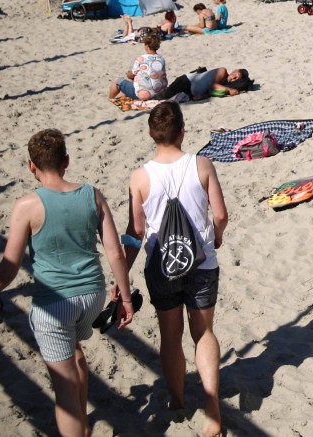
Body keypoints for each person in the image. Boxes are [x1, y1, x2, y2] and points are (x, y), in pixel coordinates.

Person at [0, 129, 135, 437]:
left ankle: (76, 426)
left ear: (31, 166)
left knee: (64, 392)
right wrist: (126, 299)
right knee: (75, 351)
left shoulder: (27, 206)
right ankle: (82, 427)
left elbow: (10, 266)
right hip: (92, 295)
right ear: (66, 161)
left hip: (54, 305)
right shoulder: (92, 195)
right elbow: (114, 253)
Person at [125, 102, 228, 437]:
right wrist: (217, 237)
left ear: (151, 134)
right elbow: (221, 215)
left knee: (171, 336)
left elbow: (137, 232)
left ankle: (178, 397)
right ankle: (212, 408)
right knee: (204, 333)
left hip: (162, 265)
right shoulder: (202, 165)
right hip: (201, 262)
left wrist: (123, 272)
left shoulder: (140, 177)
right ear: (182, 131)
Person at [108, 31, 167, 103]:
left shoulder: (141, 59)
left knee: (117, 80)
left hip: (143, 94)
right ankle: (122, 96)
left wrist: (128, 74)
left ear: (147, 46)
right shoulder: (161, 59)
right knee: (131, 81)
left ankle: (111, 99)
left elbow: (132, 74)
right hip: (159, 92)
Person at [157, 67, 253, 101]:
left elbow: (210, 89)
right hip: (186, 81)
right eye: (235, 75)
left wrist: (203, 96)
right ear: (234, 70)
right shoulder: (223, 71)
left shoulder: (223, 84)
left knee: (166, 99)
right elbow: (212, 85)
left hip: (189, 91)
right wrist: (229, 90)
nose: (233, 78)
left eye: (235, 79)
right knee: (164, 95)